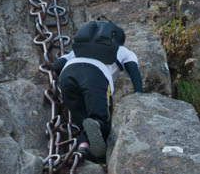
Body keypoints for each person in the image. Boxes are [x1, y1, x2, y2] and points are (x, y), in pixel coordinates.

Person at [52, 19, 143, 162]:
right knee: (101, 118)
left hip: (68, 75)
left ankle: (83, 148)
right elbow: (134, 73)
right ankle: (95, 129)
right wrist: (140, 96)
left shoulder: (78, 50)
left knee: (82, 120)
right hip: (95, 76)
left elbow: (57, 66)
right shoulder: (122, 50)